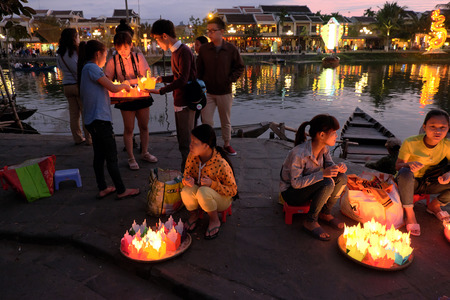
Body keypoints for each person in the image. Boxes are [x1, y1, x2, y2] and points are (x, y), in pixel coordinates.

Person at [78, 39, 140, 200]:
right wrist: (125, 85)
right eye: (105, 55)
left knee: (99, 156)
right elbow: (112, 87)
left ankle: (103, 187)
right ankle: (121, 190)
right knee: (111, 156)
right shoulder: (92, 68)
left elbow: (102, 92)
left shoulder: (86, 69)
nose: (105, 59)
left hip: (92, 119)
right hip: (100, 120)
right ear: (98, 54)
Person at [280, 114, 348, 241]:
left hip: (310, 187)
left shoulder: (324, 149)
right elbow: (295, 183)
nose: (336, 136)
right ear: (321, 135)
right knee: (327, 182)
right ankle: (310, 220)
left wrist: (338, 167)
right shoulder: (299, 154)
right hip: (292, 193)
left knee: (341, 178)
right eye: (333, 133)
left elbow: (329, 165)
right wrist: (322, 174)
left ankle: (325, 213)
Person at [148, 19, 196, 171]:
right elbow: (178, 76)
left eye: (157, 39)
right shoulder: (176, 52)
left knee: (186, 141)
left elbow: (183, 79)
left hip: (187, 101)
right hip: (179, 100)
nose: (157, 43)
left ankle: (188, 173)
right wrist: (161, 78)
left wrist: (162, 90)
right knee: (182, 138)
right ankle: (187, 171)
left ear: (164, 36)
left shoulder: (184, 51)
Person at [104, 31, 157, 170]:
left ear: (131, 45)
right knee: (129, 128)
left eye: (125, 48)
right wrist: (116, 85)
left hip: (142, 95)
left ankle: (145, 152)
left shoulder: (139, 57)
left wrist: (128, 81)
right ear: (115, 47)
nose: (122, 51)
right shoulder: (113, 60)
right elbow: (106, 78)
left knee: (144, 126)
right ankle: (131, 157)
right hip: (125, 98)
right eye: (119, 48)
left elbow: (146, 76)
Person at [396, 109, 450, 236]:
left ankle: (434, 206)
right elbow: (398, 166)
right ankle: (410, 214)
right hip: (410, 183)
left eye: (443, 127)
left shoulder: (447, 145)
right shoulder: (411, 142)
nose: (438, 131)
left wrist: (448, 175)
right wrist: (408, 164)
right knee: (405, 172)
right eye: (433, 126)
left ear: (448, 128)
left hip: (430, 182)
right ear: (424, 127)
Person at [197, 17, 245, 156]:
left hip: (225, 91)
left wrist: (230, 80)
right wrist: (200, 85)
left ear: (222, 31)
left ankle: (226, 144)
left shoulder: (231, 49)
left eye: (213, 31)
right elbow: (198, 69)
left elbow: (240, 67)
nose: (210, 34)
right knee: (206, 121)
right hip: (208, 92)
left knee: (225, 120)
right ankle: (209, 145)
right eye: (209, 31)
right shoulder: (204, 49)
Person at [181, 124, 237, 240]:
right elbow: (186, 174)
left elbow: (233, 190)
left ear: (206, 146)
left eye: (195, 143)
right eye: (191, 141)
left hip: (222, 198)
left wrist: (212, 184)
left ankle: (214, 220)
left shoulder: (221, 164)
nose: (190, 146)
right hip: (202, 193)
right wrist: (187, 180)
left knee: (203, 192)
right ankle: (194, 215)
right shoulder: (192, 156)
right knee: (186, 191)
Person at [56, 28, 92, 145]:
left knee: (73, 115)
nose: (78, 38)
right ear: (73, 38)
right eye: (77, 36)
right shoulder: (75, 51)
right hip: (77, 86)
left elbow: (61, 68)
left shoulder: (60, 54)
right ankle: (89, 139)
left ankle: (77, 138)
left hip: (66, 86)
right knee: (85, 113)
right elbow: (78, 69)